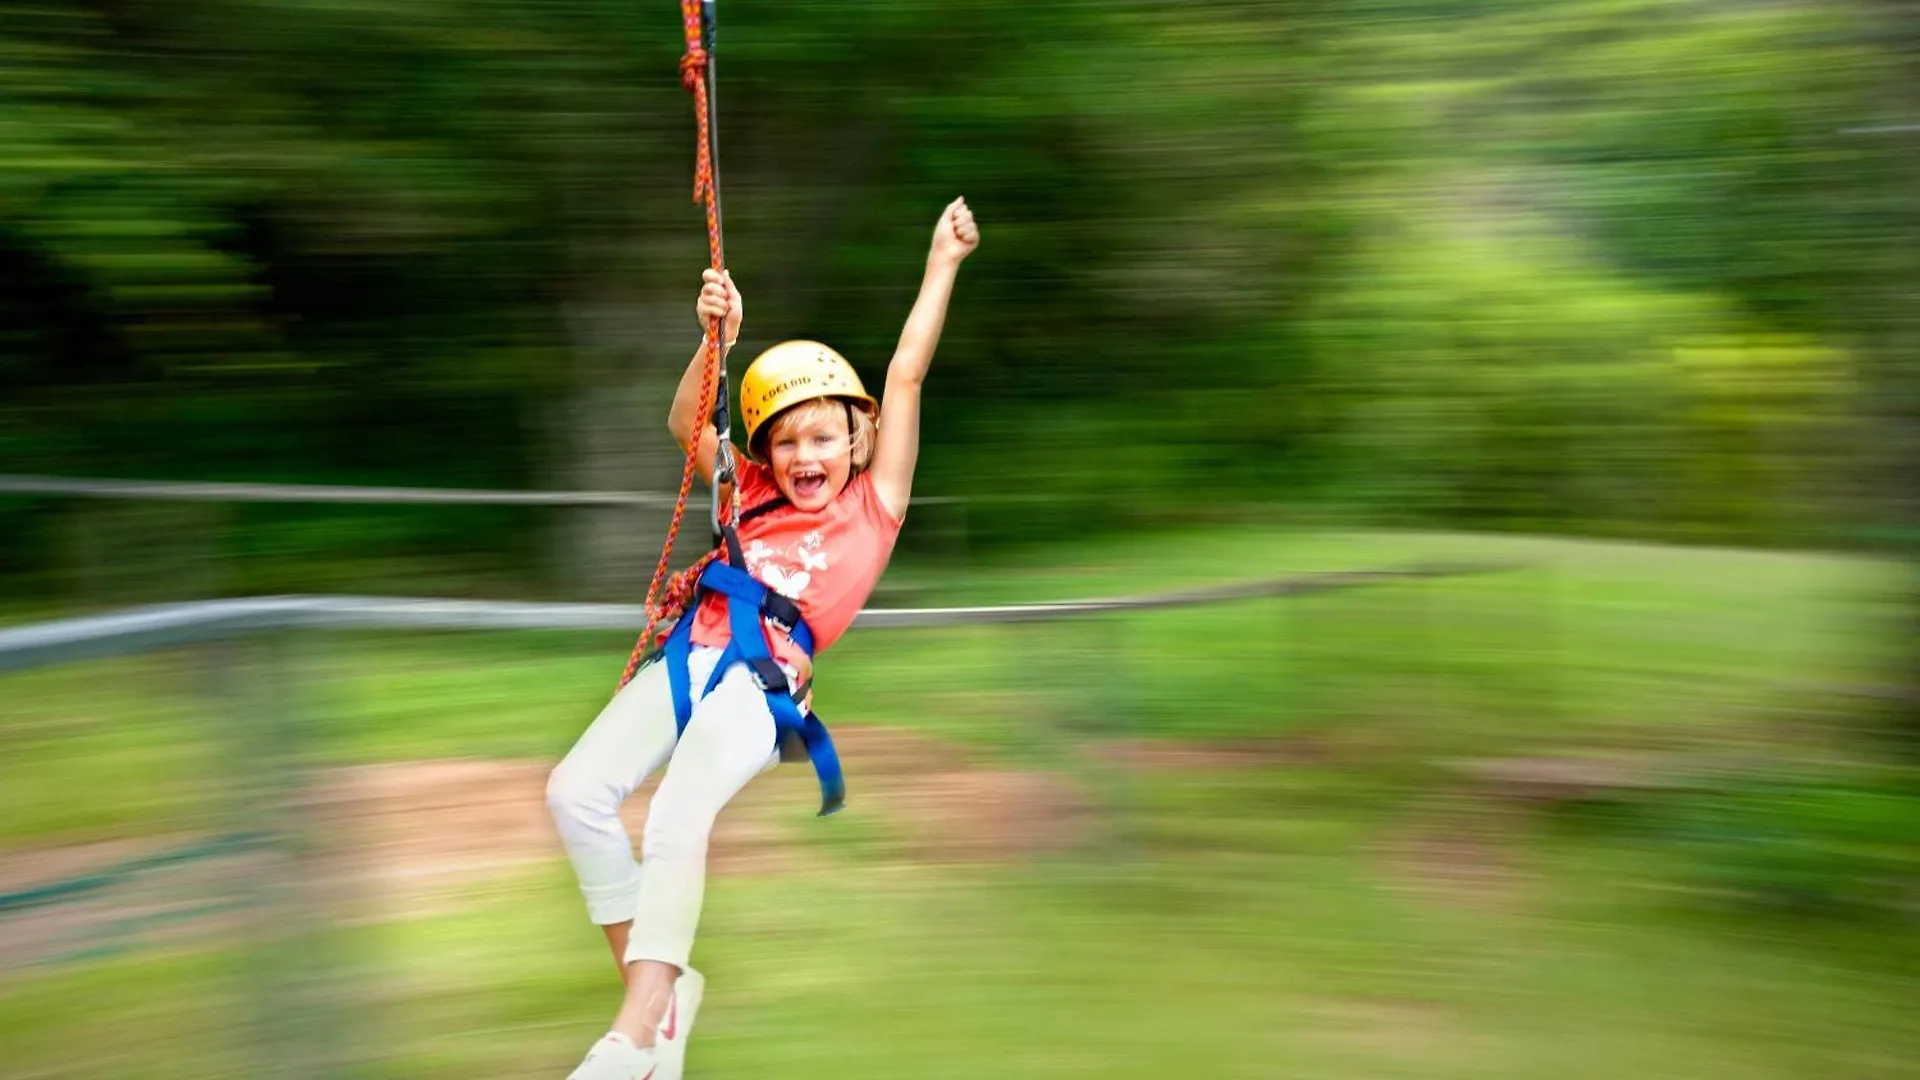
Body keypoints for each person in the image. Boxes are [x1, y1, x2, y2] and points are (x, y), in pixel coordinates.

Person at [547, 197, 980, 1080]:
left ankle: (634, 1031)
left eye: (822, 434)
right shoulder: (743, 490)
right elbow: (684, 426)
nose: (802, 454)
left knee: (676, 812)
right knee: (574, 792)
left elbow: (904, 375)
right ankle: (665, 998)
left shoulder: (875, 506)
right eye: (784, 441)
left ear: (856, 441)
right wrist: (715, 340)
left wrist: (941, 264)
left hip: (761, 684)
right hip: (688, 658)